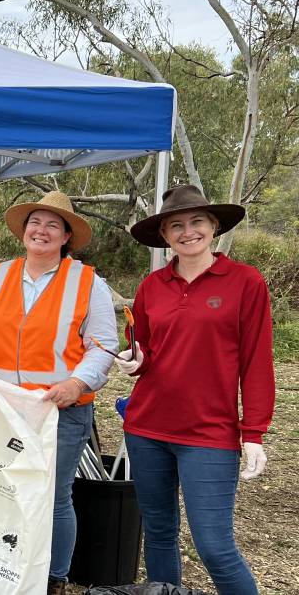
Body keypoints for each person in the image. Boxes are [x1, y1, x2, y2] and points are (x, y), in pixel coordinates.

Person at [115, 185, 273, 594]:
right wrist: (136, 360)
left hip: (209, 434)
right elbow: (146, 348)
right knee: (160, 535)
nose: (188, 232)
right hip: (146, 429)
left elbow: (257, 361)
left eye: (197, 221)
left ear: (214, 226)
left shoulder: (245, 282)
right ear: (165, 236)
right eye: (176, 226)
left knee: (215, 547)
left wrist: (253, 432)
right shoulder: (152, 286)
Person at [0, 191, 117, 595]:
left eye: (52, 225)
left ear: (66, 237)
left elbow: (102, 345)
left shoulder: (87, 283)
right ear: (23, 231)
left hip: (58, 410)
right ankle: (1, 566)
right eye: (35, 222)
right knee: (0, 489)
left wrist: (78, 383)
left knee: (51, 497)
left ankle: (53, 578)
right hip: (2, 408)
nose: (41, 231)